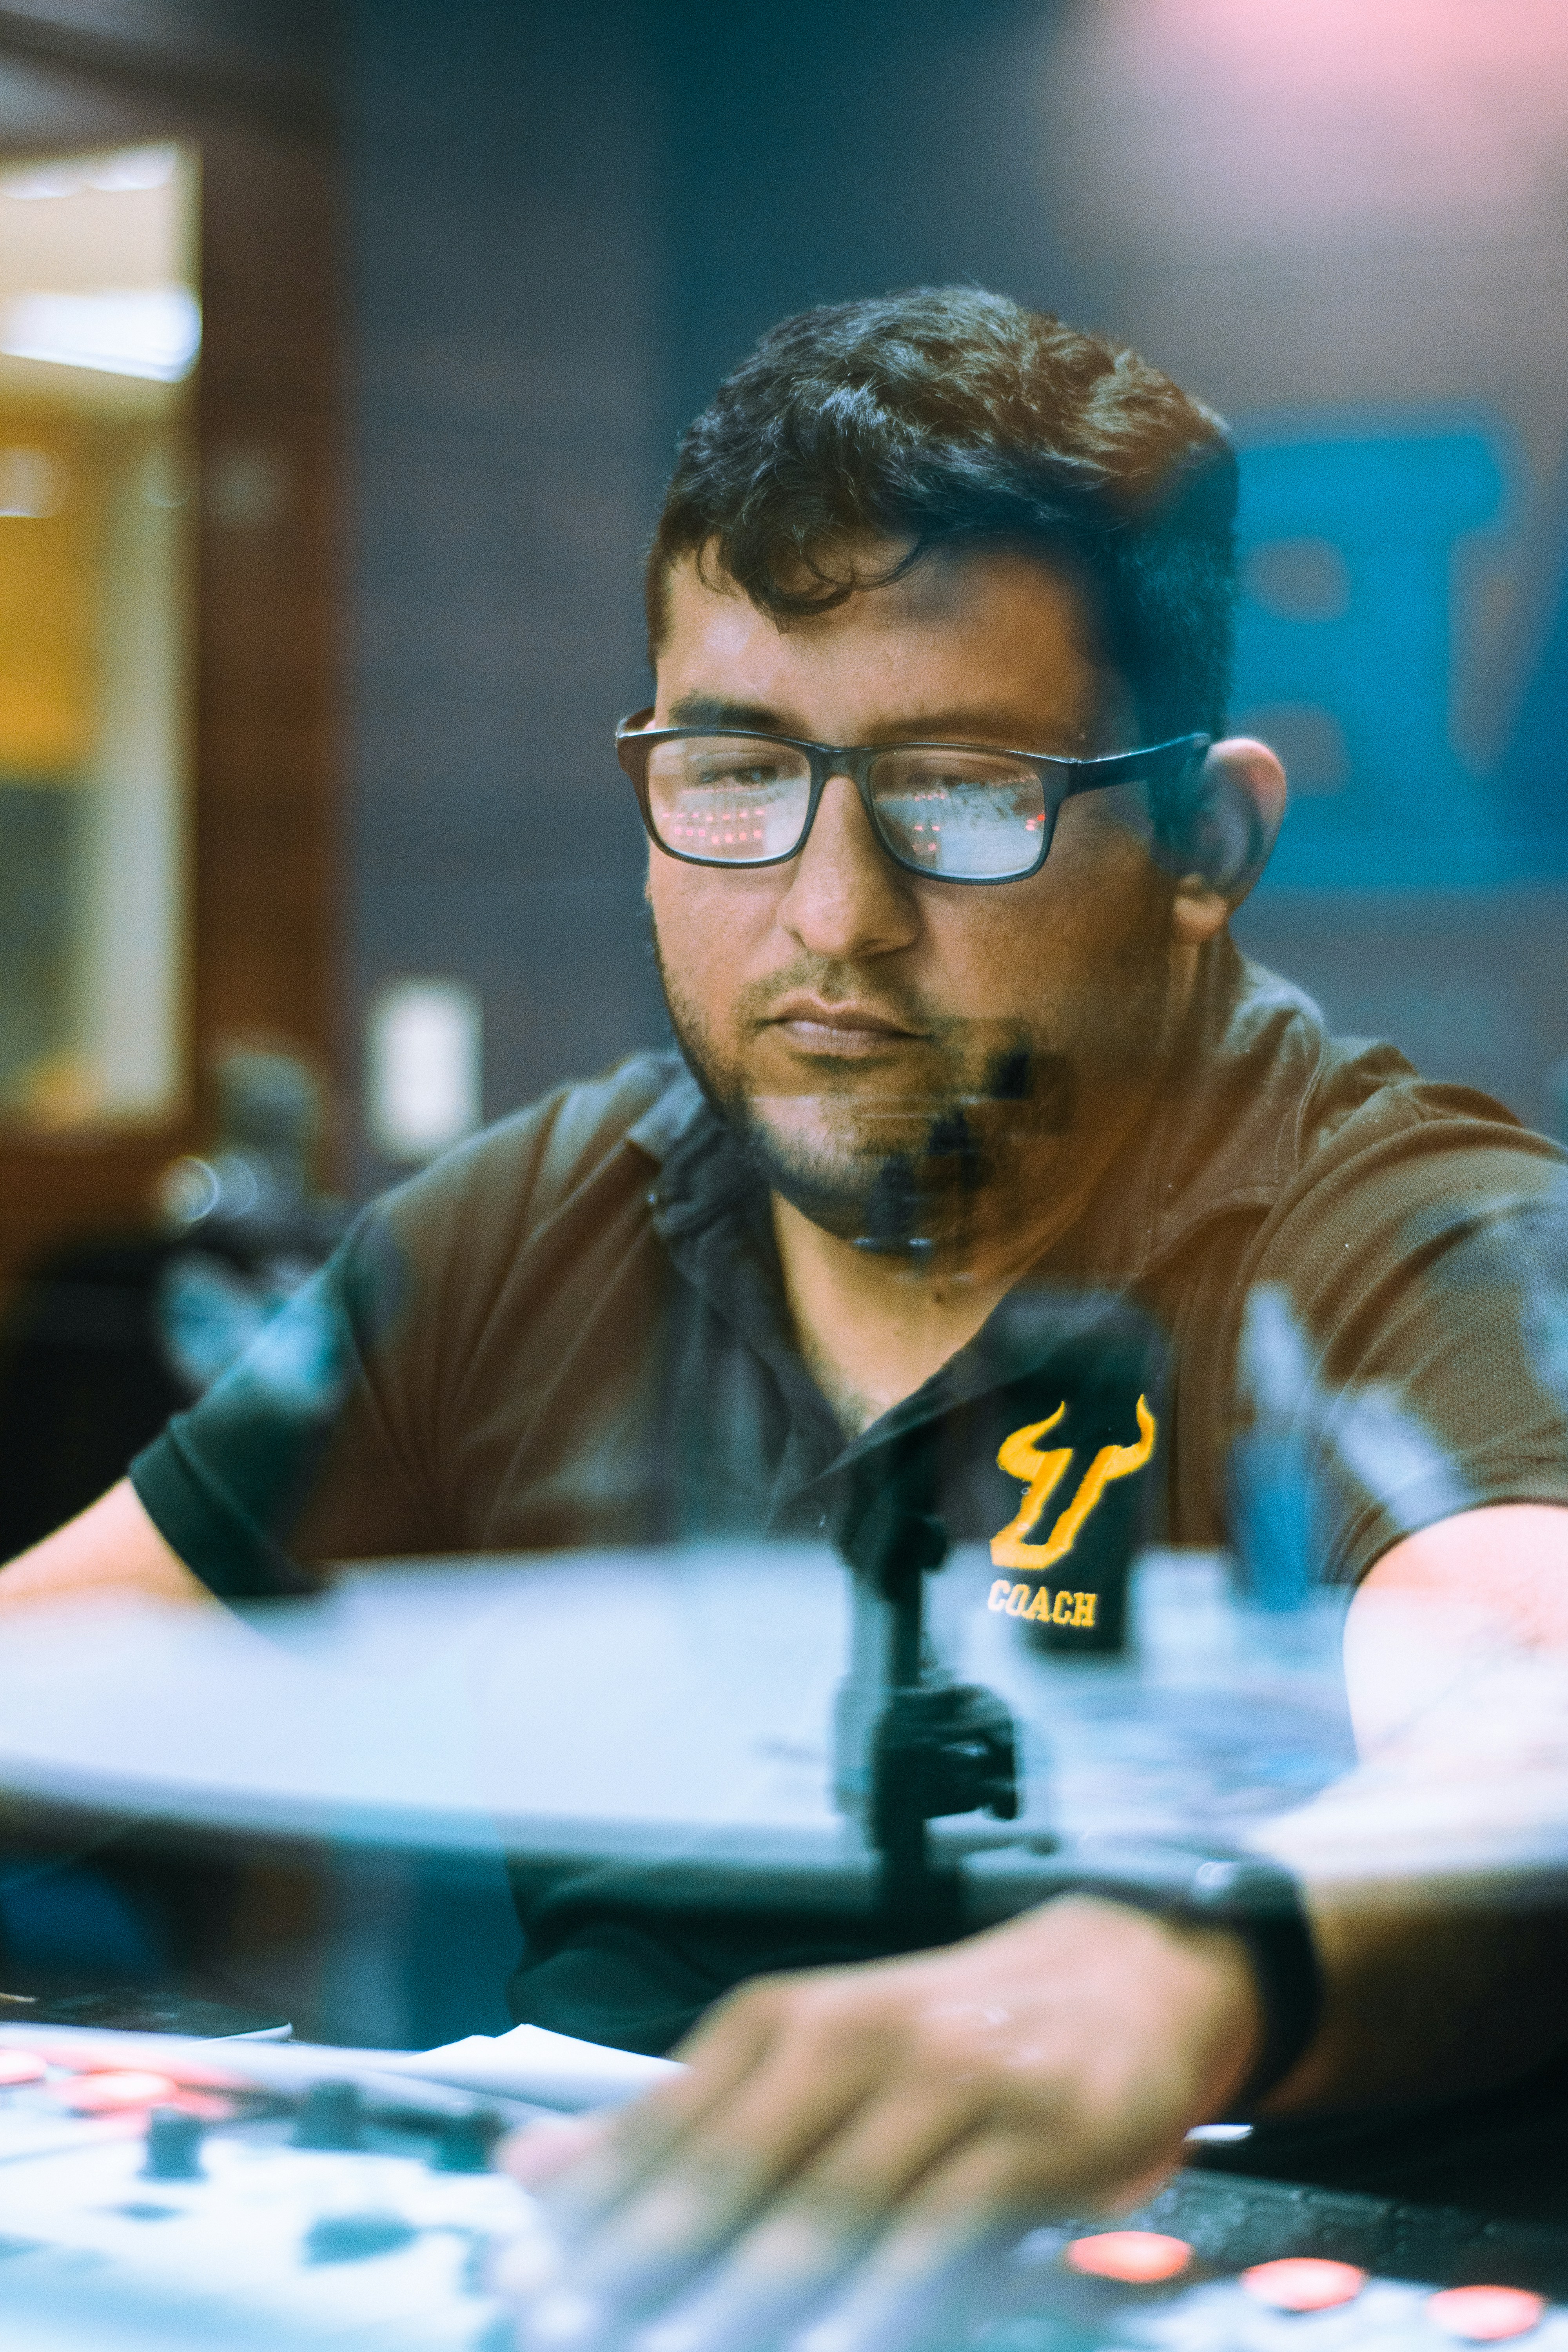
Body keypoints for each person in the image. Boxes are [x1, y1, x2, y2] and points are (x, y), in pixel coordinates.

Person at [6, 289, 1568, 2344]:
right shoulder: (515, 1233)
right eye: (739, 773)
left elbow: (1536, 1702)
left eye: (962, 791)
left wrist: (1177, 1984)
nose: (832, 913)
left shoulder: (1408, 1221)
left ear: (1207, 840)